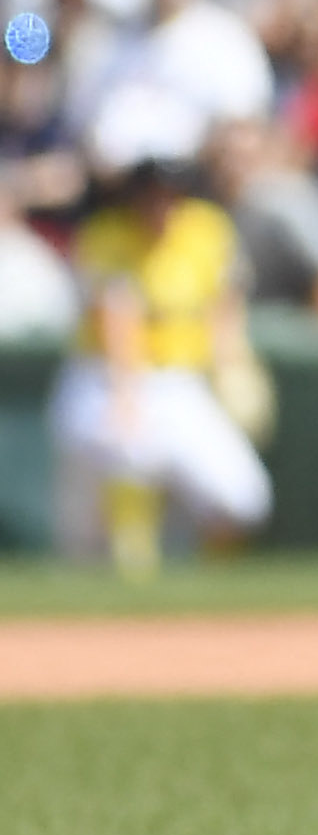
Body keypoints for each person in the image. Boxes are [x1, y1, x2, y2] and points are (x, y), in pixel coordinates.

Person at [51, 89, 273, 574]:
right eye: (149, 191)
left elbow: (224, 308)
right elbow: (118, 320)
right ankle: (136, 574)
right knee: (130, 452)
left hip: (180, 381)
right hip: (104, 379)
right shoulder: (106, 235)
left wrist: (233, 365)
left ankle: (197, 602)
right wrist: (126, 396)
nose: (160, 203)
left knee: (244, 500)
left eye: (169, 190)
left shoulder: (207, 229)